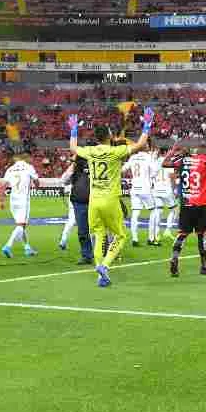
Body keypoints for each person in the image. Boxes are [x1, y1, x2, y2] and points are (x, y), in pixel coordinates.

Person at [68, 108, 154, 287]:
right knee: (120, 236)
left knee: (99, 235)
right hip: (110, 199)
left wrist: (74, 130)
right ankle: (105, 266)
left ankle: (100, 271)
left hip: (94, 201)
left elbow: (73, 148)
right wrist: (147, 125)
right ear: (109, 136)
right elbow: (140, 145)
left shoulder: (90, 151)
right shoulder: (116, 151)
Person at [162, 141, 206, 276]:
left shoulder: (183, 160)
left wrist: (171, 151)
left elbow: (164, 164)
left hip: (186, 204)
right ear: (203, 151)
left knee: (182, 233)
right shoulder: (205, 160)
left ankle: (174, 257)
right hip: (200, 204)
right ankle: (204, 266)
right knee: (202, 235)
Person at [0, 154, 40, 258]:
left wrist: (1, 201)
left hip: (13, 200)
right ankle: (7, 246)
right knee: (21, 226)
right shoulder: (28, 167)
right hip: (23, 200)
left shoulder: (10, 169)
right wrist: (36, 185)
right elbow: (37, 181)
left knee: (21, 226)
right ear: (26, 159)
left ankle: (27, 248)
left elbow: (2, 185)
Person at [122, 142, 158, 247]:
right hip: (145, 188)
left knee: (135, 213)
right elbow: (155, 171)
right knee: (154, 211)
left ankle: (135, 239)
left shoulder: (133, 157)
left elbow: (123, 169)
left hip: (134, 188)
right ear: (146, 148)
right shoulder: (148, 157)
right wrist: (150, 176)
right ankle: (151, 238)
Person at [60, 154, 94, 264]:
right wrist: (73, 166)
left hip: (94, 201)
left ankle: (100, 252)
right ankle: (87, 255)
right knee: (83, 231)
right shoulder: (76, 168)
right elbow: (64, 180)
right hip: (79, 201)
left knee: (96, 229)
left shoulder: (95, 166)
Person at [151, 148, 178, 243]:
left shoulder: (155, 162)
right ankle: (168, 230)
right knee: (174, 210)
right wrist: (175, 190)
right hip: (166, 190)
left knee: (158, 212)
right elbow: (172, 178)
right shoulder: (168, 162)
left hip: (156, 190)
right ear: (166, 153)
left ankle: (157, 235)